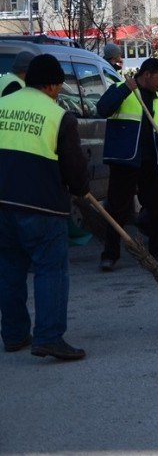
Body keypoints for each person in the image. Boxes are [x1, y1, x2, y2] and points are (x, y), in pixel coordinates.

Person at [0, 54, 89, 360]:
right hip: (40, 206)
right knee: (50, 269)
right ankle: (49, 337)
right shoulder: (58, 115)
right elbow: (74, 166)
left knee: (9, 268)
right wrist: (81, 190)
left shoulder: (2, 104)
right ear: (51, 85)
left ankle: (13, 335)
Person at [96, 58, 158, 270]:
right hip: (125, 160)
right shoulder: (120, 88)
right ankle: (110, 254)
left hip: (151, 160)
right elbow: (102, 109)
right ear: (146, 74)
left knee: (157, 208)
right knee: (117, 208)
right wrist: (125, 91)